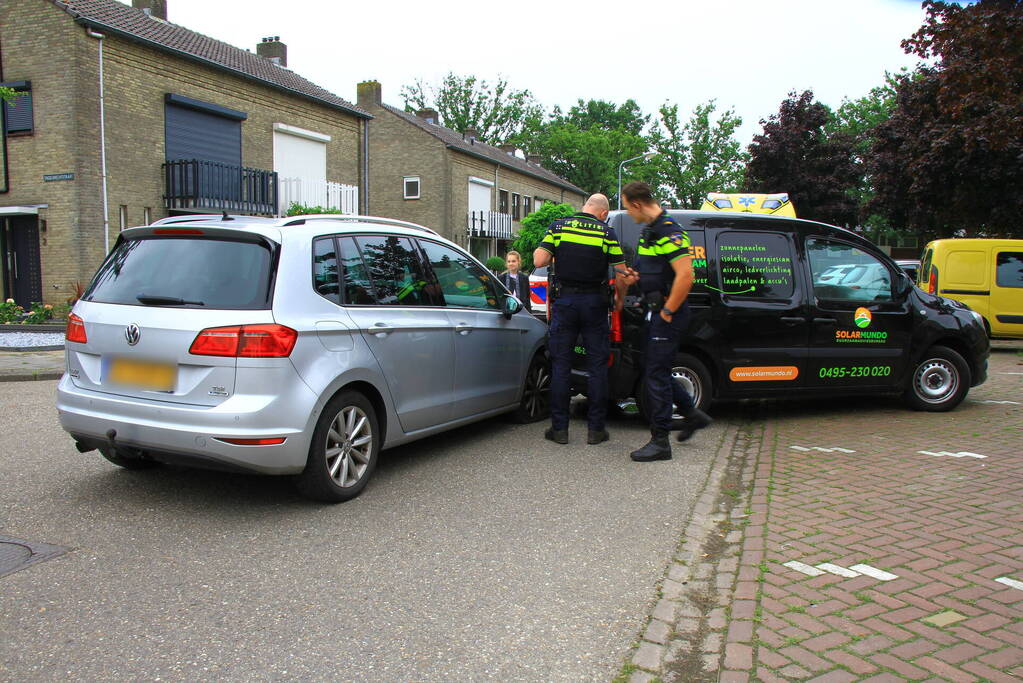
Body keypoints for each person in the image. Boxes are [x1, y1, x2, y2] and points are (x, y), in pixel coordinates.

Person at [619, 181, 712, 462]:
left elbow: (686, 276)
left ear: (636, 204)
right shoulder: (650, 231)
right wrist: (638, 279)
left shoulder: (669, 231)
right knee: (653, 368)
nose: (628, 213)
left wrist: (668, 311)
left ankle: (660, 442)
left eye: (626, 206)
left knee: (656, 375)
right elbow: (657, 270)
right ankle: (693, 414)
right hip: (653, 311)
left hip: (666, 315)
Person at [534, 194, 628, 446]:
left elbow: (539, 261)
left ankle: (559, 430)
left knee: (561, 365)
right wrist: (619, 301)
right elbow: (621, 273)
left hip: (565, 303)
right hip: (595, 304)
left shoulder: (558, 227)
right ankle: (596, 431)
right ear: (603, 213)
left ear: (585, 206)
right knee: (597, 367)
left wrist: (558, 254)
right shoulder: (607, 233)